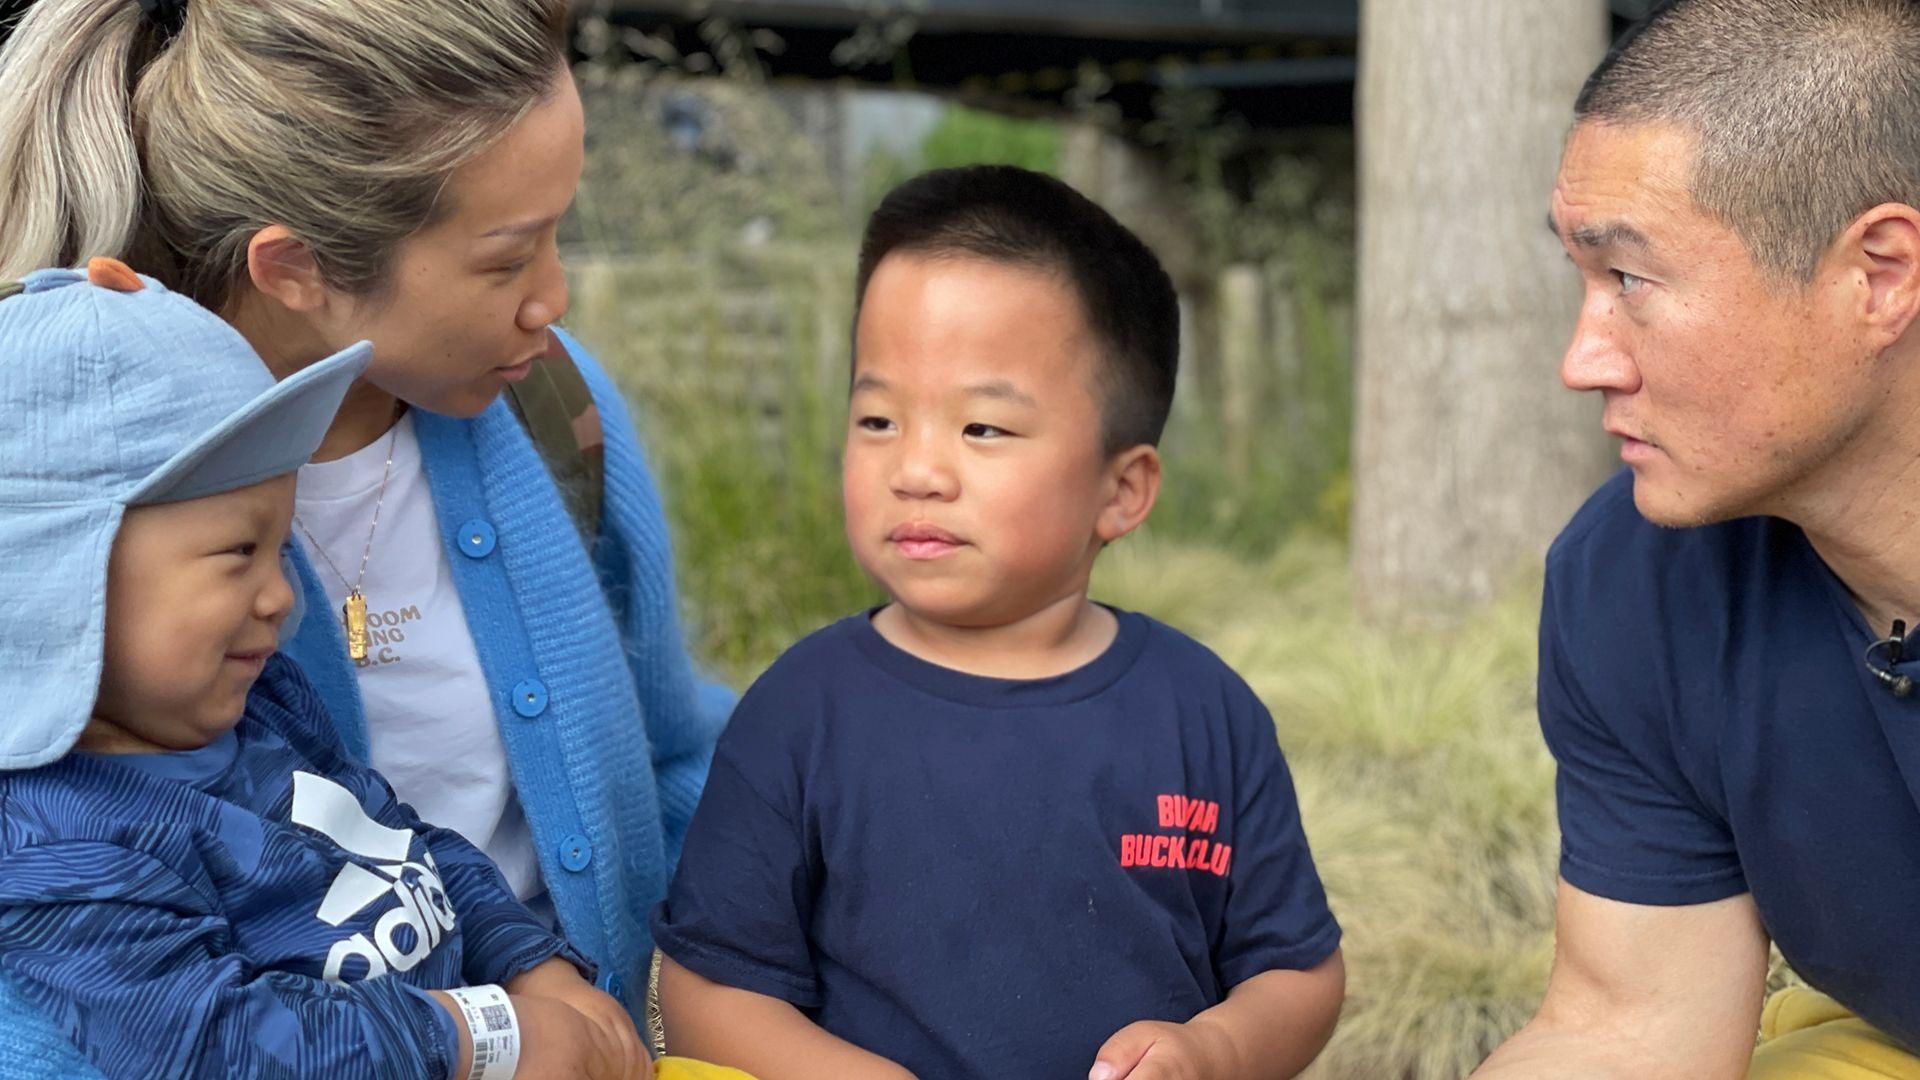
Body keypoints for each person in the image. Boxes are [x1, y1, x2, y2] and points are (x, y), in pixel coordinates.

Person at [0, 2, 729, 1071]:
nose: (555, 299)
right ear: (298, 268)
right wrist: (487, 1037)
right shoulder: (80, 508)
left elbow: (671, 758)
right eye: (507, 257)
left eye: (560, 233)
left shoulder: (553, 407)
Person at [648, 166, 1346, 1080]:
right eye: (878, 418)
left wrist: (1215, 1048)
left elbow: (1297, 972)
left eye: (981, 429)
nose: (918, 470)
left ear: (1121, 489)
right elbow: (706, 992)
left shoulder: (1202, 712)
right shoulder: (803, 713)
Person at [0, 260, 650, 1080]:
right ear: (60, 571)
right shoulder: (56, 843)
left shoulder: (264, 703)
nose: (281, 597)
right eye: (239, 552)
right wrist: (485, 1033)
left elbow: (399, 840)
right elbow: (223, 1046)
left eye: (283, 549)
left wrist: (529, 961)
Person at [1476, 1, 1920, 1076]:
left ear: (1881, 274)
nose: (1585, 361)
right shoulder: (1634, 579)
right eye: (1581, 282)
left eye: (1632, 279)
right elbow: (1629, 1026)